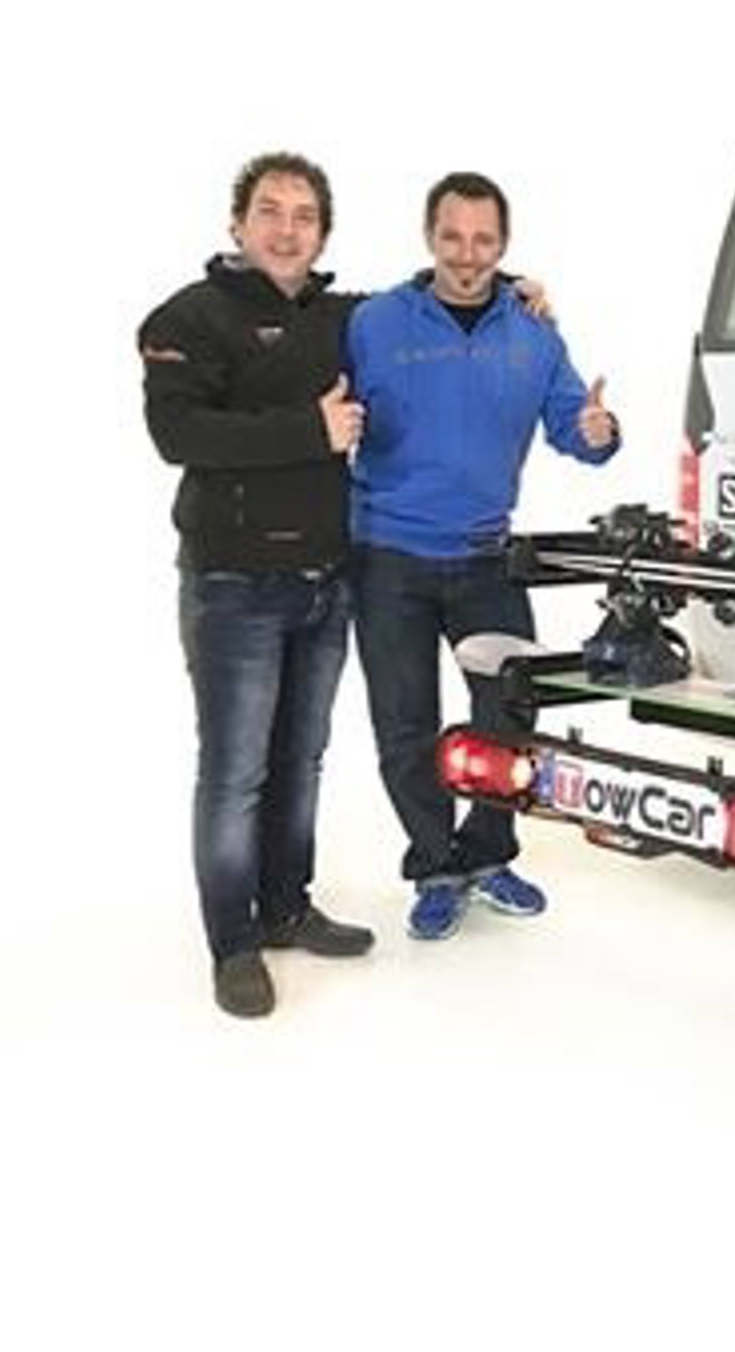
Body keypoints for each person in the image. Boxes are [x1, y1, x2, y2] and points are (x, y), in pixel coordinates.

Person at [345, 171, 620, 941]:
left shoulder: (535, 334)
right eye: (453, 237)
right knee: (406, 727)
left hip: (486, 560)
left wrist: (598, 432)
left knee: (507, 714)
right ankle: (436, 867)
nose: (467, 255)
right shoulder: (371, 323)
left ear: (504, 245)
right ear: (428, 237)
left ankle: (488, 853)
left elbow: (574, 425)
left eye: (484, 240)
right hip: (387, 559)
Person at [141, 152, 376, 1019]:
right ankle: (234, 945)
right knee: (236, 772)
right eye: (270, 211)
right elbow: (179, 434)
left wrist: (513, 290)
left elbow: (431, 302)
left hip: (326, 581)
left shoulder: (345, 318)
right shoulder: (188, 316)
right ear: (237, 223)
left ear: (324, 233)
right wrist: (310, 430)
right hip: (233, 585)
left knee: (300, 760)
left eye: (305, 216)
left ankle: (285, 907)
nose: (286, 229)